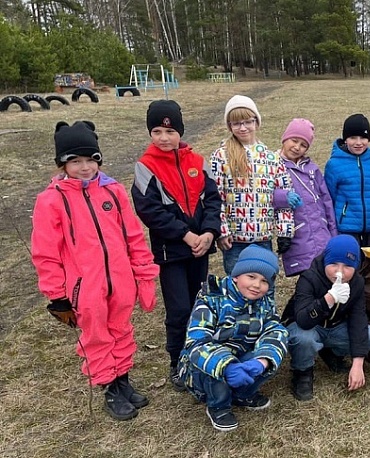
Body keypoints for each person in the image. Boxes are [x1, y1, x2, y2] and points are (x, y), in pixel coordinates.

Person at [32, 121, 160, 421]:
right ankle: (109, 386)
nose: (85, 167)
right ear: (63, 164)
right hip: (84, 286)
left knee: (121, 329)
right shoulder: (52, 200)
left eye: (91, 160)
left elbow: (133, 235)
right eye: (75, 161)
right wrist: (57, 295)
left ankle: (123, 379)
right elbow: (45, 252)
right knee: (97, 335)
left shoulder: (112, 191)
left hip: (120, 280)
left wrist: (143, 274)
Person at [132, 100, 222, 391]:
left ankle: (200, 352)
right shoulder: (145, 167)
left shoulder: (197, 161)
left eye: (169, 132)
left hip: (200, 248)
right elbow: (150, 211)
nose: (163, 138)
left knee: (200, 303)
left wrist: (209, 233)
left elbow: (212, 200)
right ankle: (177, 360)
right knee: (179, 309)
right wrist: (185, 234)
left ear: (179, 132)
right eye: (156, 131)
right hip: (172, 252)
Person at [176, 245, 288, 432]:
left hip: (241, 357)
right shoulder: (211, 298)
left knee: (272, 354)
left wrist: (262, 361)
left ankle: (242, 394)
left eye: (264, 281)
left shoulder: (265, 303)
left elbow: (275, 330)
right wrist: (226, 366)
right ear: (236, 275)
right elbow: (196, 343)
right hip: (202, 365)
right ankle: (218, 405)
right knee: (211, 367)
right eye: (251, 277)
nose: (256, 285)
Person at [281, 235, 370, 401]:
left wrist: (358, 364)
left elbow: (358, 319)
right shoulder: (309, 277)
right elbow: (303, 320)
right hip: (307, 326)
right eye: (333, 264)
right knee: (303, 338)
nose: (339, 271)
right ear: (326, 260)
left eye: (348, 266)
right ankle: (302, 371)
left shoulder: (357, 282)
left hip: (335, 327)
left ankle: (331, 352)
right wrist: (328, 299)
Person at [210, 95, 295, 275]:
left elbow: (283, 198)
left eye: (247, 121)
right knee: (237, 289)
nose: (242, 128)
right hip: (234, 241)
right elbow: (216, 196)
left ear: (256, 122)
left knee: (264, 287)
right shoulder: (221, 156)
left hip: (263, 238)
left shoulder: (272, 158)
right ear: (230, 126)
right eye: (236, 123)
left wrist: (285, 231)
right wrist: (222, 231)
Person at [276, 118, 337, 277]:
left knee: (324, 276)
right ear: (285, 138)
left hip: (321, 234)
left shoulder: (312, 169)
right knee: (307, 279)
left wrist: (333, 231)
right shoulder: (273, 165)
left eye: (303, 145)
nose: (297, 147)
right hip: (298, 235)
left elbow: (326, 202)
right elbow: (262, 194)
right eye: (294, 141)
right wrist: (283, 197)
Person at [324, 113, 370, 248]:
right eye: (352, 138)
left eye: (363, 138)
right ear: (345, 139)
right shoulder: (334, 165)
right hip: (346, 227)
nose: (358, 142)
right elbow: (329, 196)